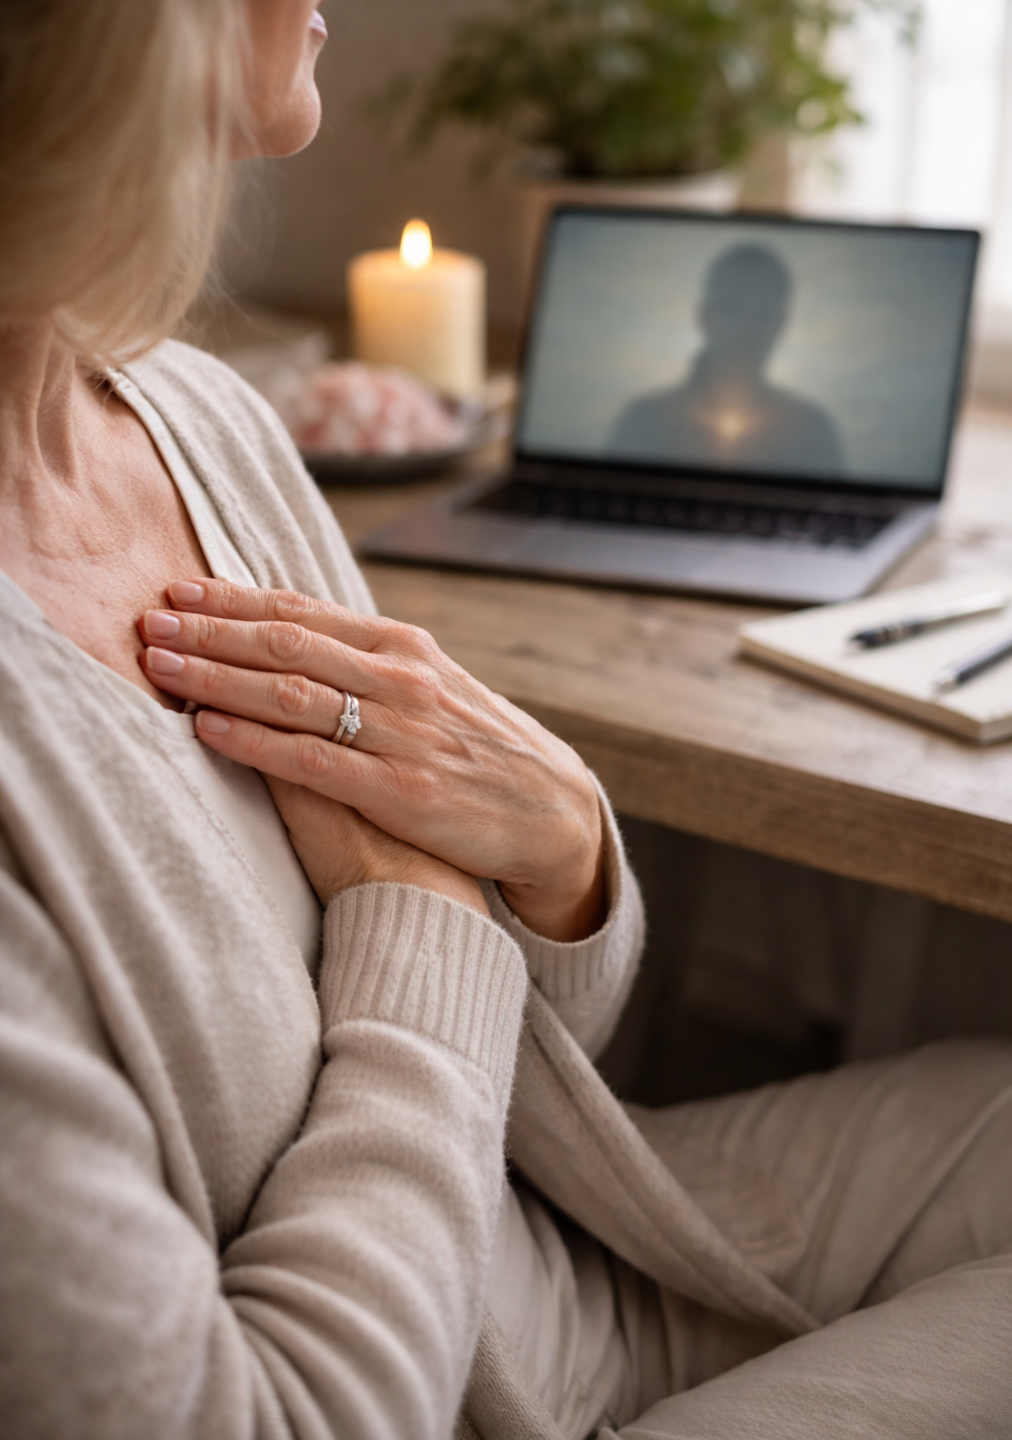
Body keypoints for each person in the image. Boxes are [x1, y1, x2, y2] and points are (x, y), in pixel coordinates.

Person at [1, 4, 1010, 1439]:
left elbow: (532, 1052)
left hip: (577, 1260)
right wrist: (426, 912)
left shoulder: (196, 417)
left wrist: (557, 851)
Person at [610, 244, 845, 477]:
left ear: (780, 322)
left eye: (762, 311)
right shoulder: (643, 422)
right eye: (732, 308)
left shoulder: (812, 432)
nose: (747, 326)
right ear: (705, 316)